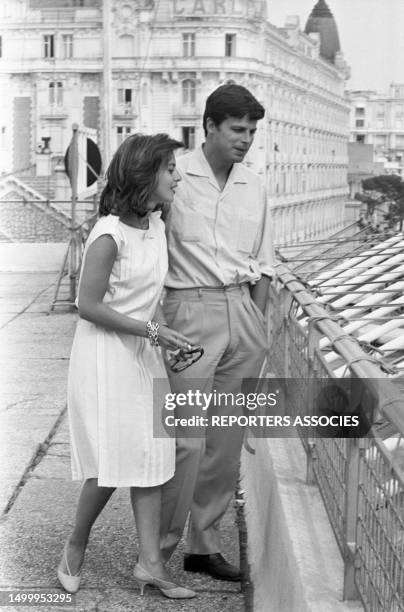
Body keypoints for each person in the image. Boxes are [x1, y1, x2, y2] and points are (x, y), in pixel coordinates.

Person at [57, 133, 196, 600]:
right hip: (104, 358)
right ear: (144, 174)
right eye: (169, 168)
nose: (177, 176)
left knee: (153, 457)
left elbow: (145, 299)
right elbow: (87, 305)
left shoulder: (156, 225)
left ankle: (150, 565)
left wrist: (164, 339)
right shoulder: (107, 235)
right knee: (112, 462)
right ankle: (75, 545)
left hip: (142, 352)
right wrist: (153, 333)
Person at [160, 83, 275, 580]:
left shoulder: (256, 185)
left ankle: (203, 546)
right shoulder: (175, 176)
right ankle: (158, 548)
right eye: (237, 129)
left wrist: (259, 328)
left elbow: (264, 264)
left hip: (242, 314)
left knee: (224, 441)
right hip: (189, 312)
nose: (246, 139)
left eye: (251, 131)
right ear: (209, 126)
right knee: (185, 438)